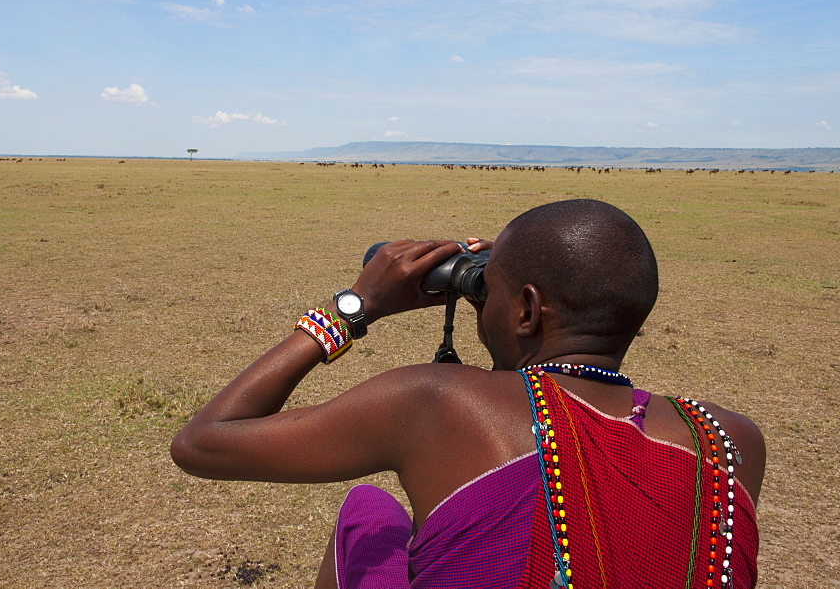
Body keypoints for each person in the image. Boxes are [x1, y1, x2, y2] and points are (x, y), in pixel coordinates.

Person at [170, 199, 765, 588]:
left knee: (367, 516)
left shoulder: (438, 403)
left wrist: (354, 308)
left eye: (488, 289)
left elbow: (203, 443)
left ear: (527, 309)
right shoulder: (731, 440)